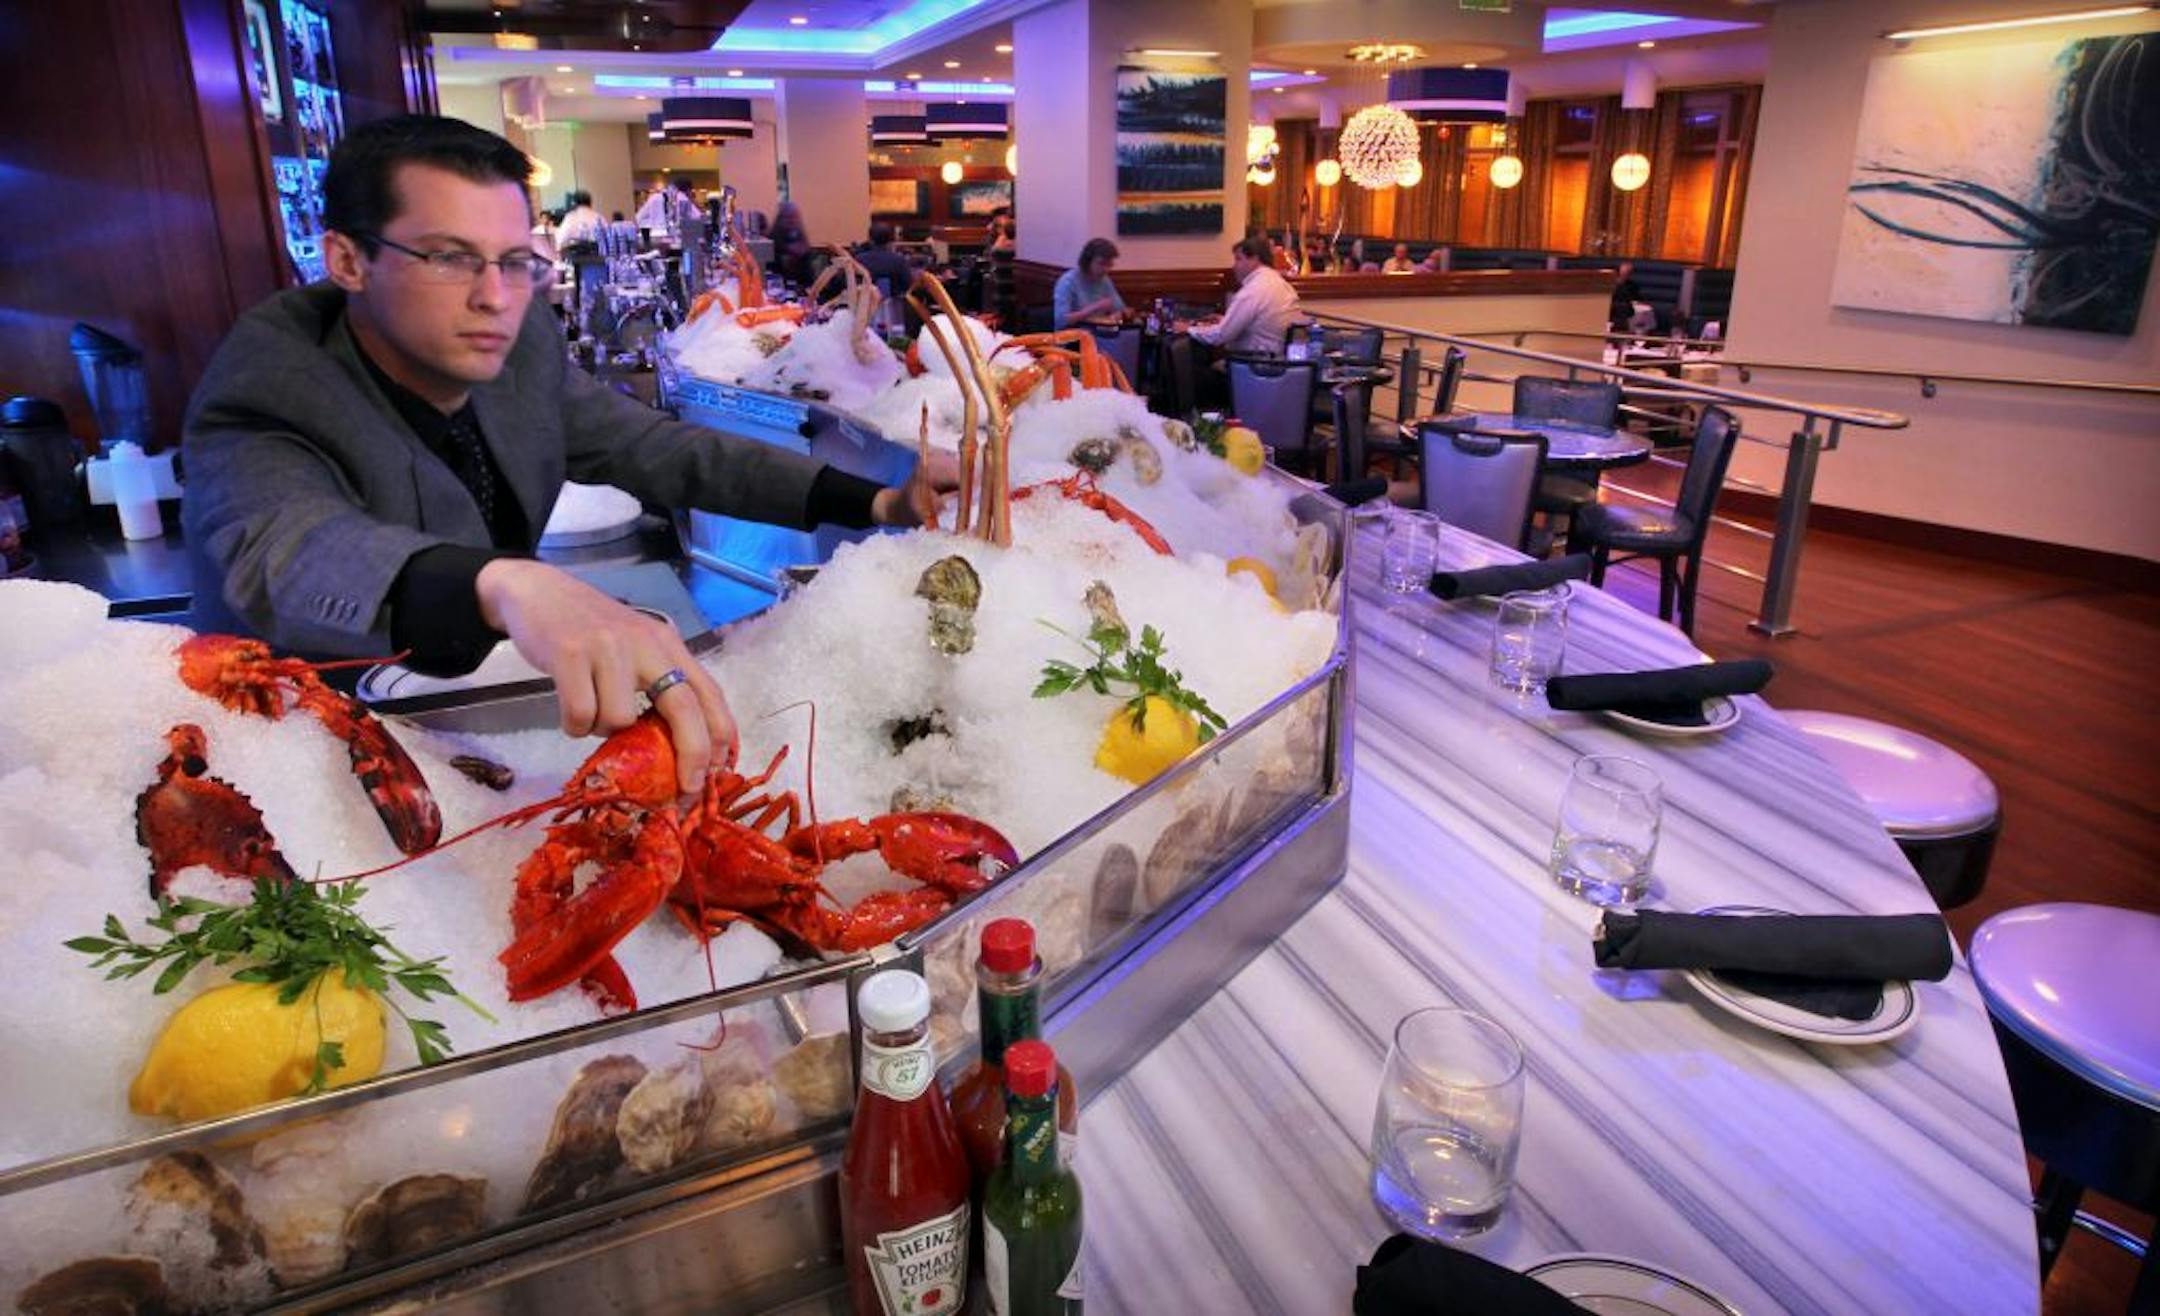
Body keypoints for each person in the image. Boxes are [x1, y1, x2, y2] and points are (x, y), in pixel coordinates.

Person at [182, 115, 954, 792]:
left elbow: (653, 448)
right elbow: (281, 550)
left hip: (452, 732)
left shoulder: (518, 352)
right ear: (348, 261)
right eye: (450, 258)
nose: (495, 296)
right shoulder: (268, 382)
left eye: (515, 262)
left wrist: (876, 499)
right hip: (293, 752)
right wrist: (507, 583)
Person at [1184, 237, 1301, 358]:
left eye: (1238, 259)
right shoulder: (1280, 284)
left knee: (1197, 365)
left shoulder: (1253, 290)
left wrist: (1188, 329)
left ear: (1255, 259)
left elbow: (1220, 335)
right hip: (1282, 362)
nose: (1234, 266)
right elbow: (1259, 323)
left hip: (1256, 365)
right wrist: (1226, 320)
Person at [1052, 238, 1124, 328]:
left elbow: (1120, 308)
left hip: (1099, 333)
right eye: (1101, 264)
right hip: (1073, 336)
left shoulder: (1104, 280)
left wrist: (1116, 315)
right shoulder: (1068, 281)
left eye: (1109, 265)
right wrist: (1094, 308)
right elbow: (1060, 320)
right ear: (1087, 261)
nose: (1106, 269)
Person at [854, 221, 915, 298]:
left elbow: (853, 284)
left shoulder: (860, 260)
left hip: (866, 305)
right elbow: (908, 285)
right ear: (890, 240)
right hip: (895, 305)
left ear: (870, 240)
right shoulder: (899, 260)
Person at [769, 200, 812, 285]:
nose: (791, 221)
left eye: (794, 217)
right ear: (781, 218)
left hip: (802, 284)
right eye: (788, 217)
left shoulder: (800, 235)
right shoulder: (774, 237)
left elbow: (806, 257)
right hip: (779, 283)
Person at [1609, 260, 1644, 332]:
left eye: (1628, 273)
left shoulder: (1632, 285)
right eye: (1624, 272)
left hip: (1626, 312)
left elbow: (1637, 299)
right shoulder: (1610, 283)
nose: (1625, 274)